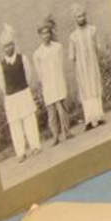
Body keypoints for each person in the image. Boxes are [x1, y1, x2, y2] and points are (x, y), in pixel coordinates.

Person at [0, 24, 42, 163]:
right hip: (11, 98)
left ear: (14, 45)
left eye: (10, 45)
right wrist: (11, 92)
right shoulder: (1, 66)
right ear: (3, 49)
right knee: (15, 125)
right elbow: (2, 85)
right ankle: (20, 152)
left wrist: (23, 87)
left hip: (24, 93)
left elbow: (28, 75)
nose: (8, 48)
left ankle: (35, 146)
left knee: (29, 120)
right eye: (6, 46)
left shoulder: (23, 59)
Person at [32, 17, 72, 145]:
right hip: (48, 85)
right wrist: (46, 83)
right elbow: (39, 72)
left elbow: (60, 64)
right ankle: (55, 135)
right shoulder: (37, 53)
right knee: (52, 112)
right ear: (39, 35)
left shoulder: (58, 47)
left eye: (48, 32)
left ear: (51, 33)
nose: (46, 35)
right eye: (43, 33)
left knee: (63, 107)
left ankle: (67, 131)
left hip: (58, 81)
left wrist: (59, 79)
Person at [67, 3, 105, 131]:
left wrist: (94, 61)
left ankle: (99, 117)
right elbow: (72, 56)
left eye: (83, 15)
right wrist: (79, 68)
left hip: (92, 65)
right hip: (81, 69)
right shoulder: (73, 36)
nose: (81, 18)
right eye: (78, 16)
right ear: (75, 19)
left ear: (86, 16)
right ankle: (89, 120)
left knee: (95, 88)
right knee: (86, 92)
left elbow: (98, 47)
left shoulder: (93, 30)